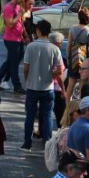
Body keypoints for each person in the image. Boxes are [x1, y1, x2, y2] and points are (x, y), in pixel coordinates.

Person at [22, 20, 64, 150]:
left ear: (38, 31)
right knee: (47, 116)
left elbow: (25, 68)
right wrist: (53, 76)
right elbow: (60, 70)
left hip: (32, 87)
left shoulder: (31, 47)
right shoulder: (55, 49)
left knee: (30, 116)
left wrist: (27, 80)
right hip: (48, 88)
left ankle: (27, 143)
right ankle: (47, 144)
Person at [0, 0, 25, 93]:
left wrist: (24, 36)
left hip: (18, 39)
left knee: (10, 62)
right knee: (14, 63)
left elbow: (20, 23)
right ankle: (17, 86)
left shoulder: (17, 6)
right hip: (11, 40)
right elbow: (10, 24)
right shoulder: (8, 8)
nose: (22, 1)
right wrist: (19, 14)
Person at [64, 7, 89, 105]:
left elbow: (69, 45)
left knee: (70, 85)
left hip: (74, 59)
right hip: (85, 61)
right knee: (82, 84)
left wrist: (69, 57)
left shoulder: (72, 28)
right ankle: (81, 106)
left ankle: (67, 107)